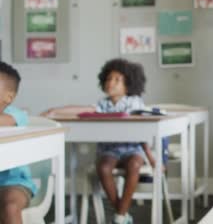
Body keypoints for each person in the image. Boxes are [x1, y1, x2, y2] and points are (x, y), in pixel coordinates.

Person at [42, 58, 153, 224]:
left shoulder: (135, 102)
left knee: (134, 165)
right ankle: (122, 214)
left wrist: (150, 157)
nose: (111, 83)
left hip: (132, 150)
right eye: (108, 79)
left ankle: (119, 216)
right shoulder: (102, 104)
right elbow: (84, 109)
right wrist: (54, 111)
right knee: (103, 167)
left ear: (128, 84)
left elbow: (143, 131)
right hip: (109, 150)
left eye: (117, 80)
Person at [0, 62, 37, 224]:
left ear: (9, 97)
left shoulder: (17, 115)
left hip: (15, 183)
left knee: (10, 206)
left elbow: (5, 121)